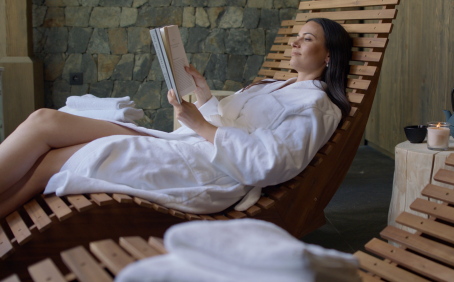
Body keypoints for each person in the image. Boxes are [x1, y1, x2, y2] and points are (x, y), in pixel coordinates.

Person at [0, 18, 353, 218]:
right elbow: (231, 122)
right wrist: (203, 95)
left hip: (213, 172)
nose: (294, 43)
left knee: (53, 161)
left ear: (328, 58)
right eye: (296, 37)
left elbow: (270, 162)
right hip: (191, 147)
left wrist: (199, 124)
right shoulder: (276, 86)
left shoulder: (317, 108)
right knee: (46, 121)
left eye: (306, 39)